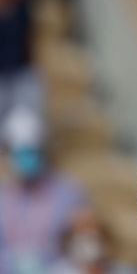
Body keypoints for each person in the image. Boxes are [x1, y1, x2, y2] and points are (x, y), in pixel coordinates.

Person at [0, 104, 88, 273]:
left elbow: (80, 242)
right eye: (19, 152)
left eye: (31, 151)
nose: (25, 158)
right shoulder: (3, 196)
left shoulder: (68, 193)